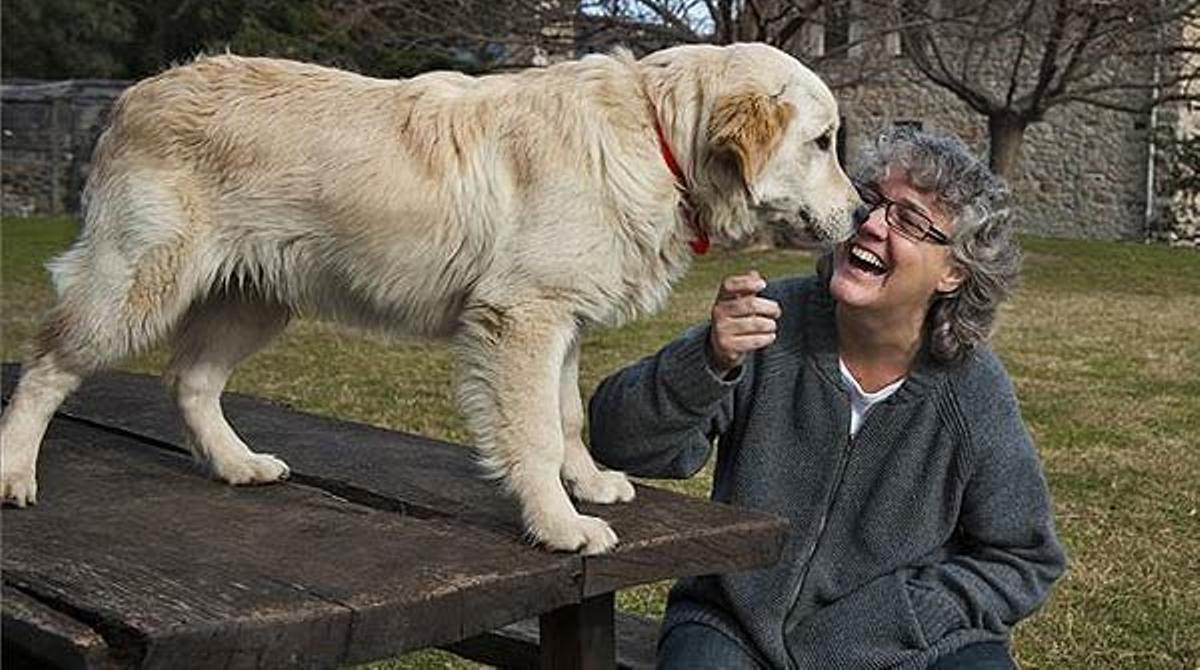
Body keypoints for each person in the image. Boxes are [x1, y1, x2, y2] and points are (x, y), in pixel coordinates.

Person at [587, 127, 1067, 670]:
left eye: (907, 220)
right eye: (871, 202)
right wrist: (709, 360)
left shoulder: (972, 391)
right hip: (732, 626)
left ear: (953, 272)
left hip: (905, 648)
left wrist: (909, 616)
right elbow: (615, 439)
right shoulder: (769, 324)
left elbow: (1024, 558)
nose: (872, 224)